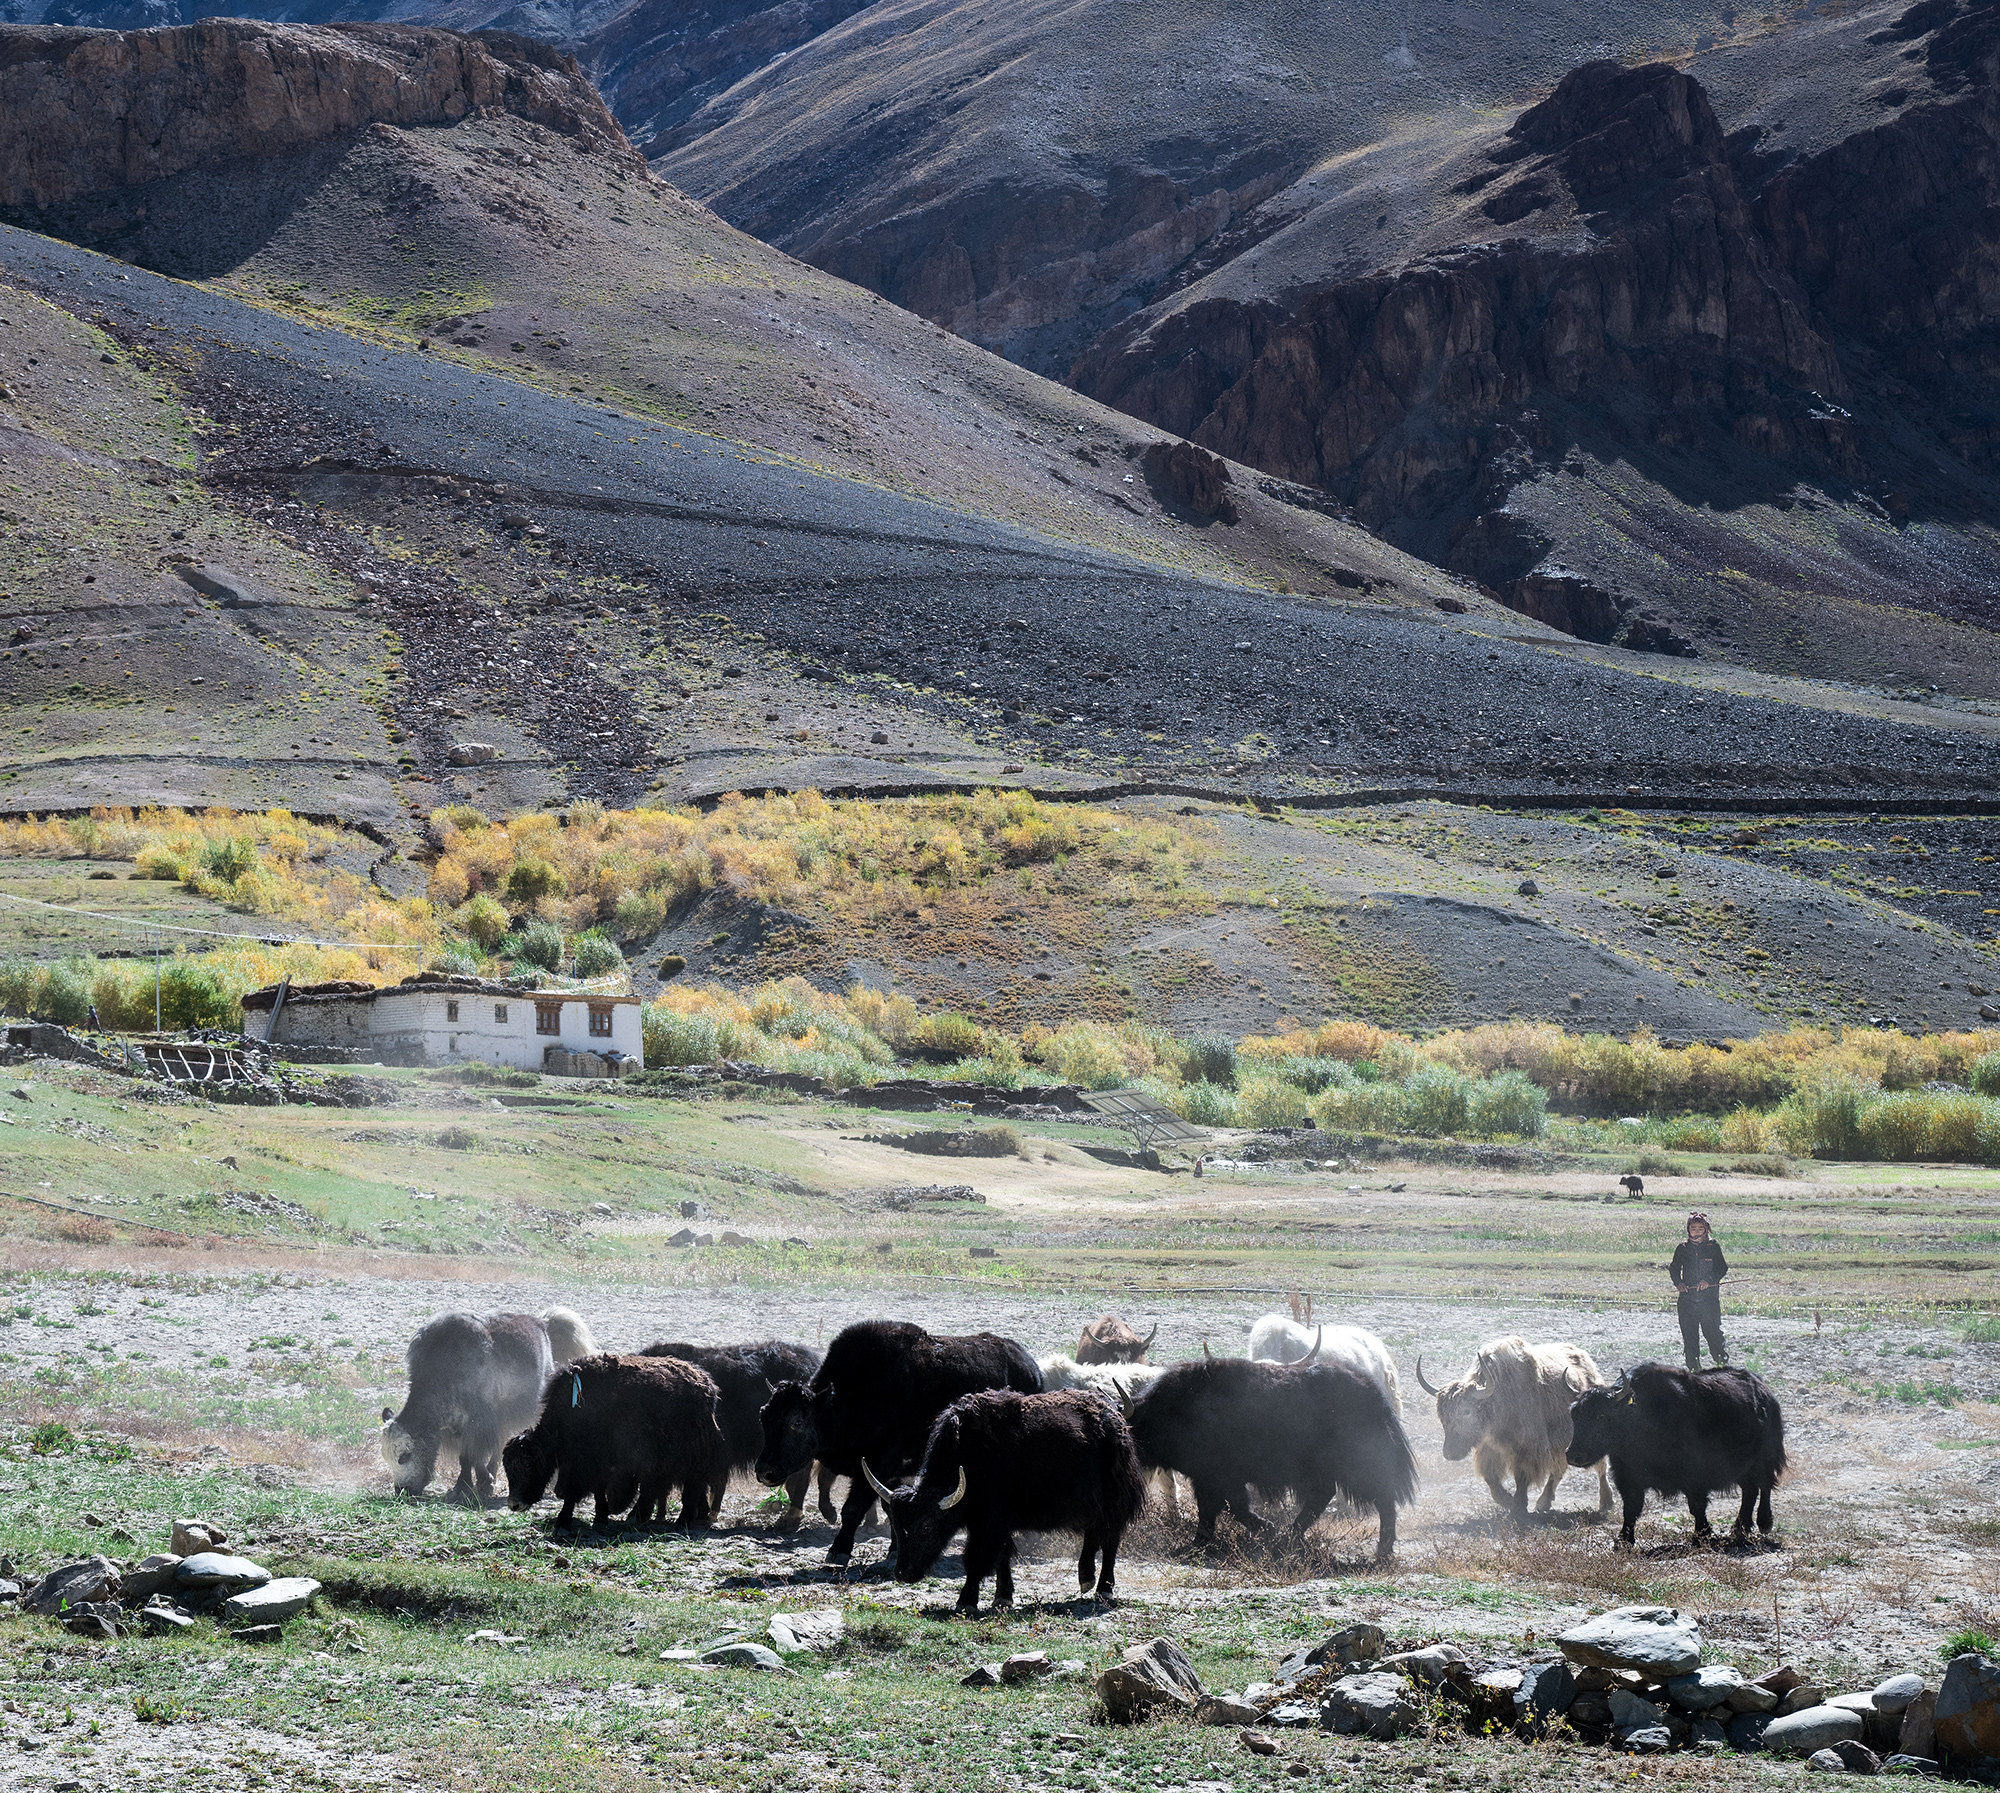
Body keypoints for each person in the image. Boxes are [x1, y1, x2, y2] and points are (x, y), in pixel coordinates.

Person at [1669, 1211, 1729, 1371]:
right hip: (1687, 1300)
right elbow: (1674, 1269)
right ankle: (1694, 1370)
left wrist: (1708, 1281)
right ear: (1688, 1229)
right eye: (1693, 1228)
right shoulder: (1682, 1248)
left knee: (1713, 1334)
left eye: (1700, 1228)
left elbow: (1722, 1268)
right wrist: (1679, 1283)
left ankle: (1721, 1365)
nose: (1696, 1231)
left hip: (1709, 1300)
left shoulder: (1713, 1247)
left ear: (1705, 1229)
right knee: (1690, 1337)